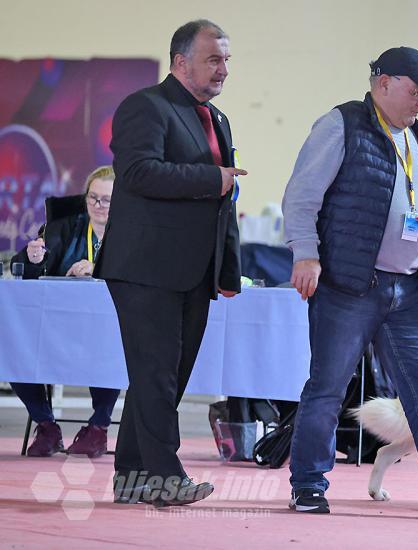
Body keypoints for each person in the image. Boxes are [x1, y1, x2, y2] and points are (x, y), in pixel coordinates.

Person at [282, 46, 418, 519]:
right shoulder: (340, 125)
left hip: (406, 288)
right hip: (348, 284)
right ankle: (307, 484)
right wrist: (305, 253)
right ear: (383, 82)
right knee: (327, 386)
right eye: (416, 91)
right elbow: (301, 196)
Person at [94, 19, 245, 507]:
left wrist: (227, 269)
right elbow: (137, 172)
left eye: (226, 59)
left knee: (165, 377)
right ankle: (165, 476)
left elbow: (226, 196)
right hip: (144, 266)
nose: (224, 68)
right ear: (181, 62)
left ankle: (132, 475)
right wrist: (210, 178)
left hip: (195, 271)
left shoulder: (216, 119)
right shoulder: (145, 106)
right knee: (157, 374)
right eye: (213, 59)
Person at [10, 166, 119, 458]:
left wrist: (99, 269)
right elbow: (23, 266)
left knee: (112, 351)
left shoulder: (132, 231)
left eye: (106, 200)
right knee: (15, 349)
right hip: (57, 328)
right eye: (92, 197)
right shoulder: (63, 227)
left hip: (106, 330)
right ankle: (46, 425)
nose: (97, 206)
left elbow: (146, 273)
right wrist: (33, 258)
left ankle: (98, 429)